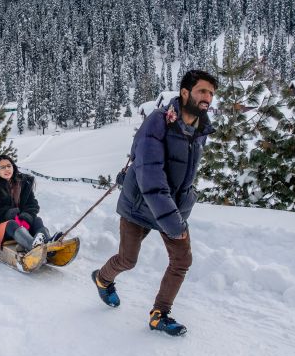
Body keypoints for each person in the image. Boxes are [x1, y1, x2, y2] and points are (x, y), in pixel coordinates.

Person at [91, 69, 218, 336]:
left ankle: (160, 314)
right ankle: (103, 278)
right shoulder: (158, 122)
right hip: (139, 204)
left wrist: (183, 203)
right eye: (202, 91)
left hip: (172, 205)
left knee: (182, 260)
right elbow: (151, 177)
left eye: (211, 93)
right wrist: (174, 223)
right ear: (185, 92)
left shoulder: (201, 128)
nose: (207, 97)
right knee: (128, 260)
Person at [0, 155, 56, 255]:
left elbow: (32, 204)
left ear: (13, 167)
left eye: (9, 166)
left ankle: (49, 246)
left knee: (37, 220)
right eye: (2, 167)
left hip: (21, 224)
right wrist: (6, 214)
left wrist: (27, 216)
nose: (7, 169)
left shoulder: (23, 183)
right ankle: (33, 247)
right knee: (11, 223)